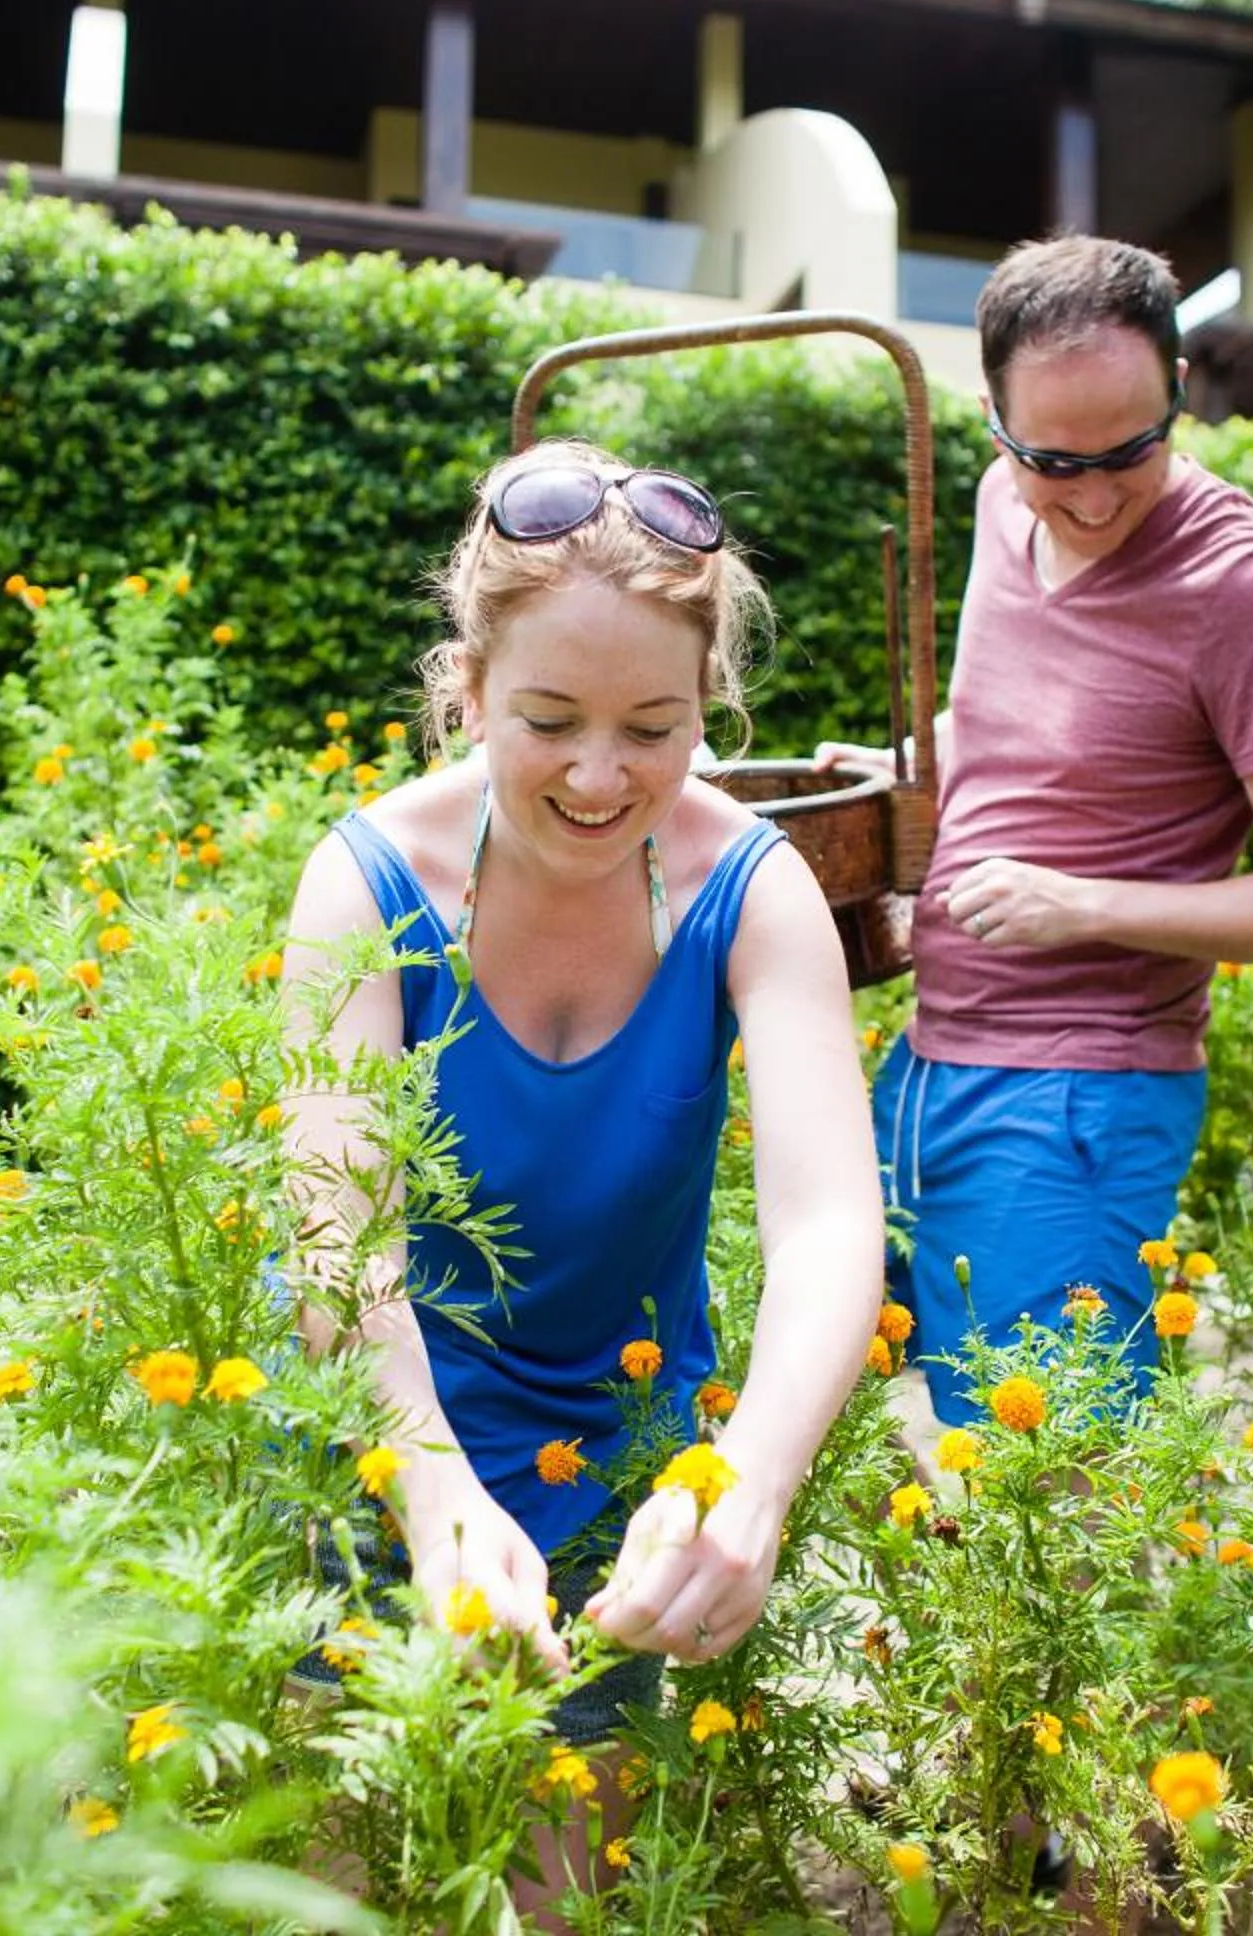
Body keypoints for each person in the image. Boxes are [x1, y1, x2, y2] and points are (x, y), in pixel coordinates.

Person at [279, 438, 882, 1745]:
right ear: (471, 686)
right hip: (385, 1424)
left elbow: (831, 1225)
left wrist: (750, 1484)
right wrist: (430, 1497)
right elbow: (341, 1243)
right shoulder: (363, 882)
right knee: (355, 1850)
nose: (601, 778)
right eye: (549, 723)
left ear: (706, 702)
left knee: (576, 1867)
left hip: (627, 1455)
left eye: (653, 731)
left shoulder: (755, 890)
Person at [824, 235, 1253, 1427]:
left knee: (1056, 1476)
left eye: (1131, 451)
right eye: (1051, 458)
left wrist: (1084, 904)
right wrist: (920, 765)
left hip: (1079, 1098)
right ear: (994, 423)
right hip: (930, 1060)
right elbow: (1046, 718)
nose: (1090, 496)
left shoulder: (1252, 595)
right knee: (842, 1395)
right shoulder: (997, 504)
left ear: (1181, 392)